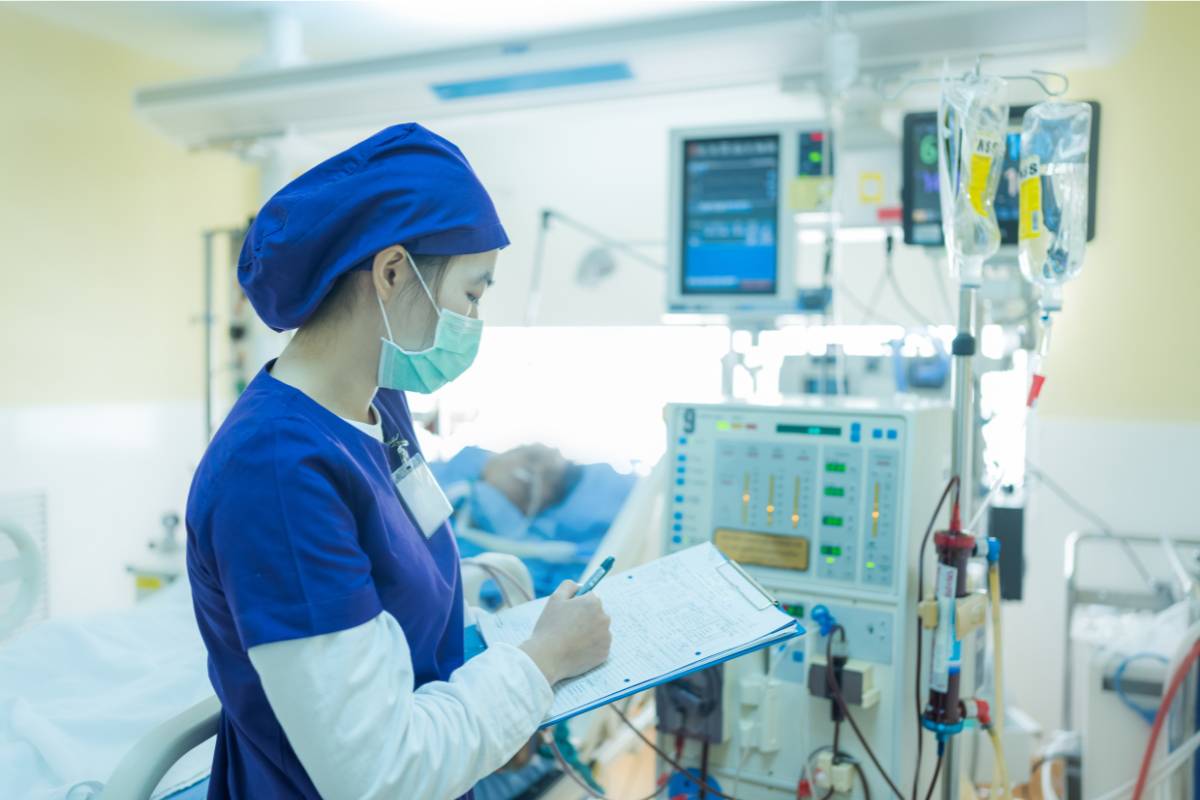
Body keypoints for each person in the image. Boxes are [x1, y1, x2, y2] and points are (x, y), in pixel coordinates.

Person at [185, 123, 612, 800]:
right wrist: (542, 662)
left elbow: (399, 576)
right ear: (391, 273)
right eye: (472, 294)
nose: (476, 320)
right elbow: (378, 776)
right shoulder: (275, 474)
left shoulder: (378, 403)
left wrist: (506, 671)